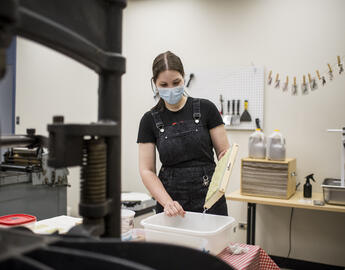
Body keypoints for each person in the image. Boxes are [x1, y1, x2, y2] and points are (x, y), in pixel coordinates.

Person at [137, 51, 230, 217]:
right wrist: (167, 202)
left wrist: (226, 162)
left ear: (184, 78)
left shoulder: (206, 109)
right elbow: (147, 170)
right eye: (164, 85)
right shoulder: (148, 120)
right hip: (171, 204)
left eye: (176, 82)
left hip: (210, 201)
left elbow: (225, 154)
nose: (171, 89)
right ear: (155, 83)